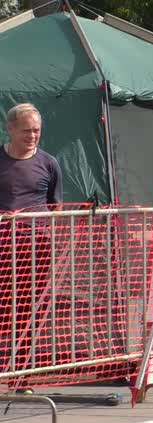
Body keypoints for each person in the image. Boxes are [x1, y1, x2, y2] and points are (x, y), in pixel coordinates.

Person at [0, 103, 62, 386]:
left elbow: (57, 206)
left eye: (36, 130)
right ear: (10, 128)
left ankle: (21, 375)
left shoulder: (49, 163)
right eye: (26, 130)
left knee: (28, 309)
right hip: (2, 245)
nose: (32, 136)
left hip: (36, 248)